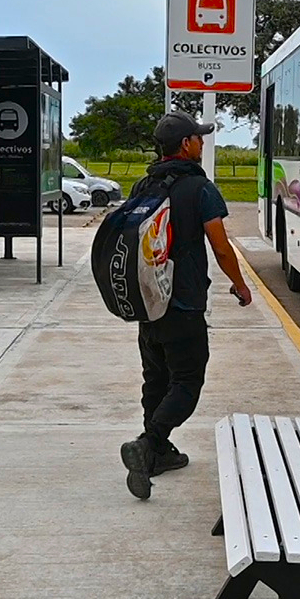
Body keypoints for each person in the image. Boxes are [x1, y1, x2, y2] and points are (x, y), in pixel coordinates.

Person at [119, 111, 254, 500]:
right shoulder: (200, 189)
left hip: (149, 302)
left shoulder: (144, 183)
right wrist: (240, 285)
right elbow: (221, 245)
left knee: (155, 378)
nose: (202, 142)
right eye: (198, 137)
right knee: (187, 382)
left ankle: (158, 455)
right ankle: (148, 445)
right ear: (185, 146)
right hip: (184, 304)